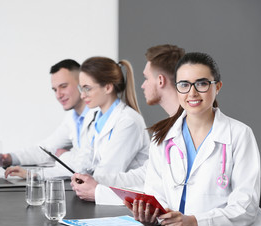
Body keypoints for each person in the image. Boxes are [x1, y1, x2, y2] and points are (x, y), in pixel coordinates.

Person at [126, 52, 261, 226]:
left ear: (218, 87)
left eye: (202, 83)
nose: (192, 93)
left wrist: (195, 222)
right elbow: (155, 195)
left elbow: (245, 207)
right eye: (184, 85)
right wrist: (151, 217)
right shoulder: (162, 137)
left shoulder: (239, 134)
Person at [71, 45, 185, 205]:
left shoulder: (185, 129)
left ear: (160, 80)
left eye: (146, 79)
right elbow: (147, 174)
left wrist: (99, 191)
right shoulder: (165, 130)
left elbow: (162, 193)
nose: (142, 85)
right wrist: (95, 182)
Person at [0, 59, 97, 178]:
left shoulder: (98, 116)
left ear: (82, 83)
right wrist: (9, 158)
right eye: (55, 89)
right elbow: (47, 149)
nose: (58, 95)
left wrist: (63, 156)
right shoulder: (73, 118)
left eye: (63, 86)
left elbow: (87, 168)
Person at [70, 56, 150, 201]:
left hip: (128, 201)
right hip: (105, 195)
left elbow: (109, 171)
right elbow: (85, 161)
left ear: (107, 87)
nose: (82, 95)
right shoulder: (96, 117)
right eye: (81, 88)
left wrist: (87, 180)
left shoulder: (128, 121)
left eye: (87, 88)